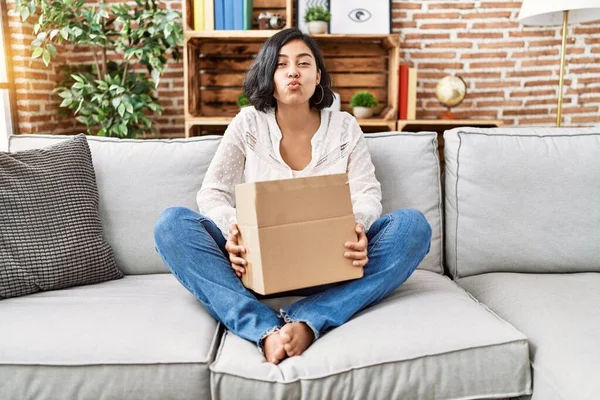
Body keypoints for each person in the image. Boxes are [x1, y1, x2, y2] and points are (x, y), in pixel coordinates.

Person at [154, 28, 432, 365]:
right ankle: (264, 329)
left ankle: (310, 318)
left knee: (413, 227)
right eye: (281, 64)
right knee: (172, 224)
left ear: (318, 75)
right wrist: (234, 233)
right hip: (254, 271)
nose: (293, 72)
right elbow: (213, 192)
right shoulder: (248, 123)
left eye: (304, 63)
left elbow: (367, 192)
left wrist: (358, 226)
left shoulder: (344, 126)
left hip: (332, 270)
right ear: (269, 75)